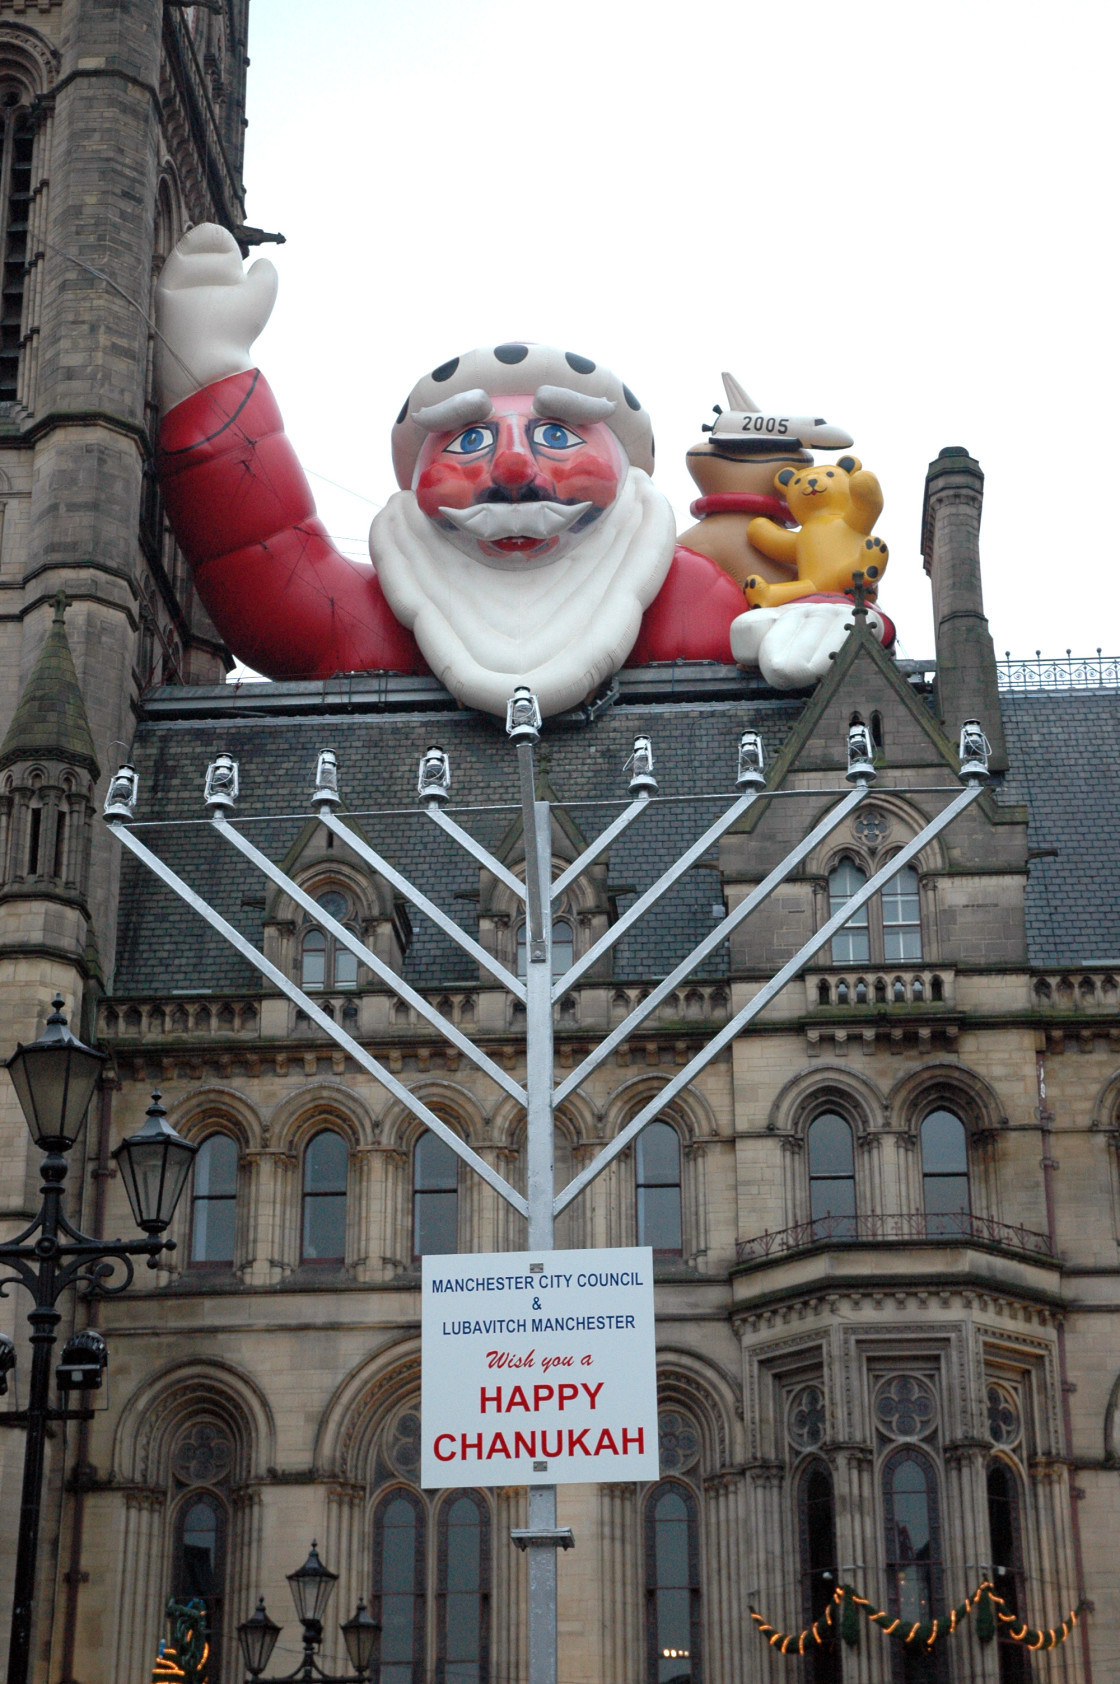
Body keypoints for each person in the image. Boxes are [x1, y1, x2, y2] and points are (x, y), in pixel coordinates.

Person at [155, 225, 745, 717]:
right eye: (470, 442)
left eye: (557, 437)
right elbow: (264, 563)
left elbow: (790, 622)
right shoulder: (381, 614)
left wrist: (817, 620)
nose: (514, 470)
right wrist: (211, 373)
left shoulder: (686, 597)